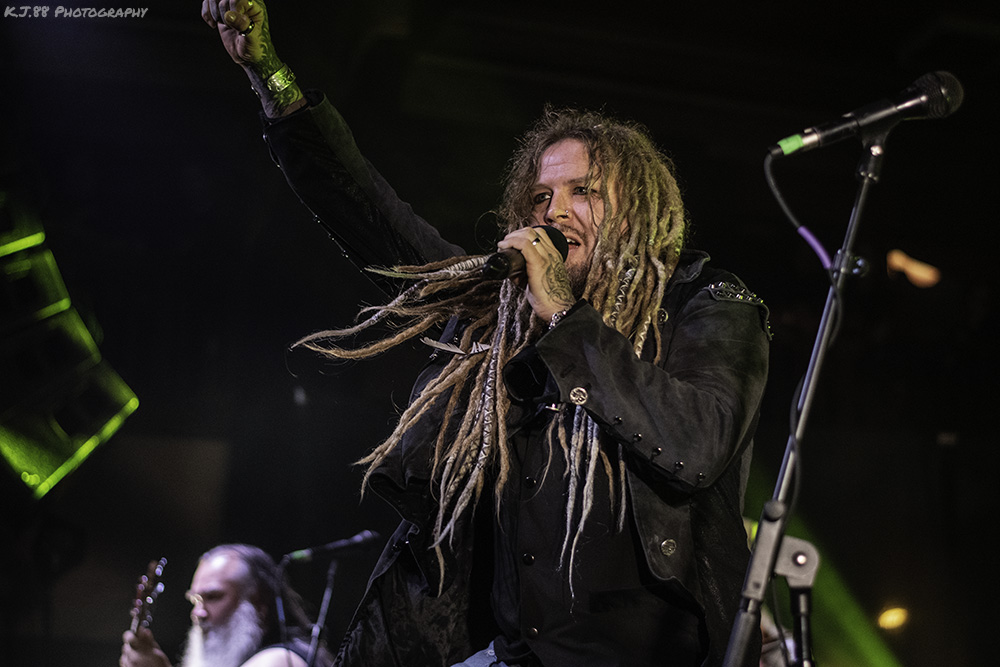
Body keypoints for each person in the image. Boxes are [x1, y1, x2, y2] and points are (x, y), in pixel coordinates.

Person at [202, 2, 770, 665]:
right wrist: (269, 73)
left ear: (636, 211)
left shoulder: (708, 306)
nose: (554, 211)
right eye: (539, 197)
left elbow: (696, 443)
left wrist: (567, 313)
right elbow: (372, 217)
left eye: (581, 192)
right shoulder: (496, 317)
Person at [120, 544, 333, 667]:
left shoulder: (279, 660)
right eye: (194, 600)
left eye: (213, 597)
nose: (198, 613)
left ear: (259, 604)